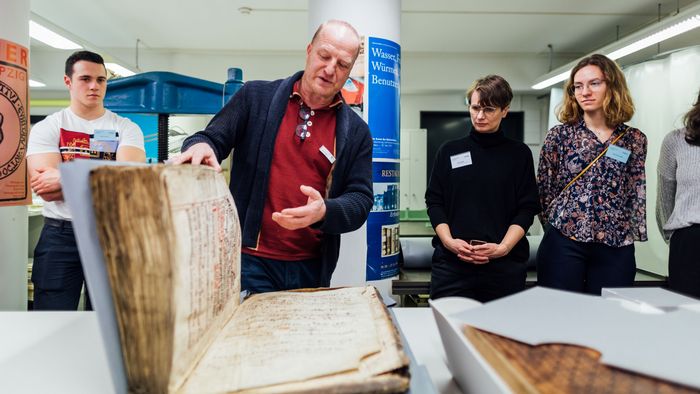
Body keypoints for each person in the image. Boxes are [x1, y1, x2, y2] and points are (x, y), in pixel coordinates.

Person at [171, 20, 373, 293]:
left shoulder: (357, 132)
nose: (330, 69)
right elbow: (210, 139)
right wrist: (199, 145)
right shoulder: (255, 97)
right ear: (309, 50)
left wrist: (325, 210)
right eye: (324, 56)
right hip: (249, 261)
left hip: (312, 267)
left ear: (349, 71)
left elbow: (360, 200)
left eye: (342, 64)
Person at [27, 51, 146, 310]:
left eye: (101, 80)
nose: (94, 86)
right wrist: (109, 175)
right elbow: (46, 190)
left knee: (112, 322)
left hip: (110, 232)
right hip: (60, 235)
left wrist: (65, 176)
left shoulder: (127, 128)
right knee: (52, 319)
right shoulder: (48, 128)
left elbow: (129, 183)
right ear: (68, 82)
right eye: (85, 78)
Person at [537, 54, 647, 295]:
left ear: (612, 86)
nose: (584, 91)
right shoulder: (559, 136)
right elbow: (545, 191)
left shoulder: (633, 140)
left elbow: (634, 191)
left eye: (594, 83)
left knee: (610, 318)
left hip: (615, 243)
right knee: (559, 315)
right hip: (565, 240)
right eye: (578, 86)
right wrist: (565, 222)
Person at [425, 75, 540, 302]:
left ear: (504, 111)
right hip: (452, 267)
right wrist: (449, 242)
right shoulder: (449, 151)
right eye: (475, 107)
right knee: (447, 331)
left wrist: (504, 247)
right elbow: (435, 202)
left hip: (503, 268)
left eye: (488, 109)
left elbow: (527, 208)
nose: (479, 116)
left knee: (500, 334)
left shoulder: (519, 155)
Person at [657, 91, 700, 299]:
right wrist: (674, 236)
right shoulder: (676, 140)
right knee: (686, 318)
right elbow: (664, 198)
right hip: (690, 243)